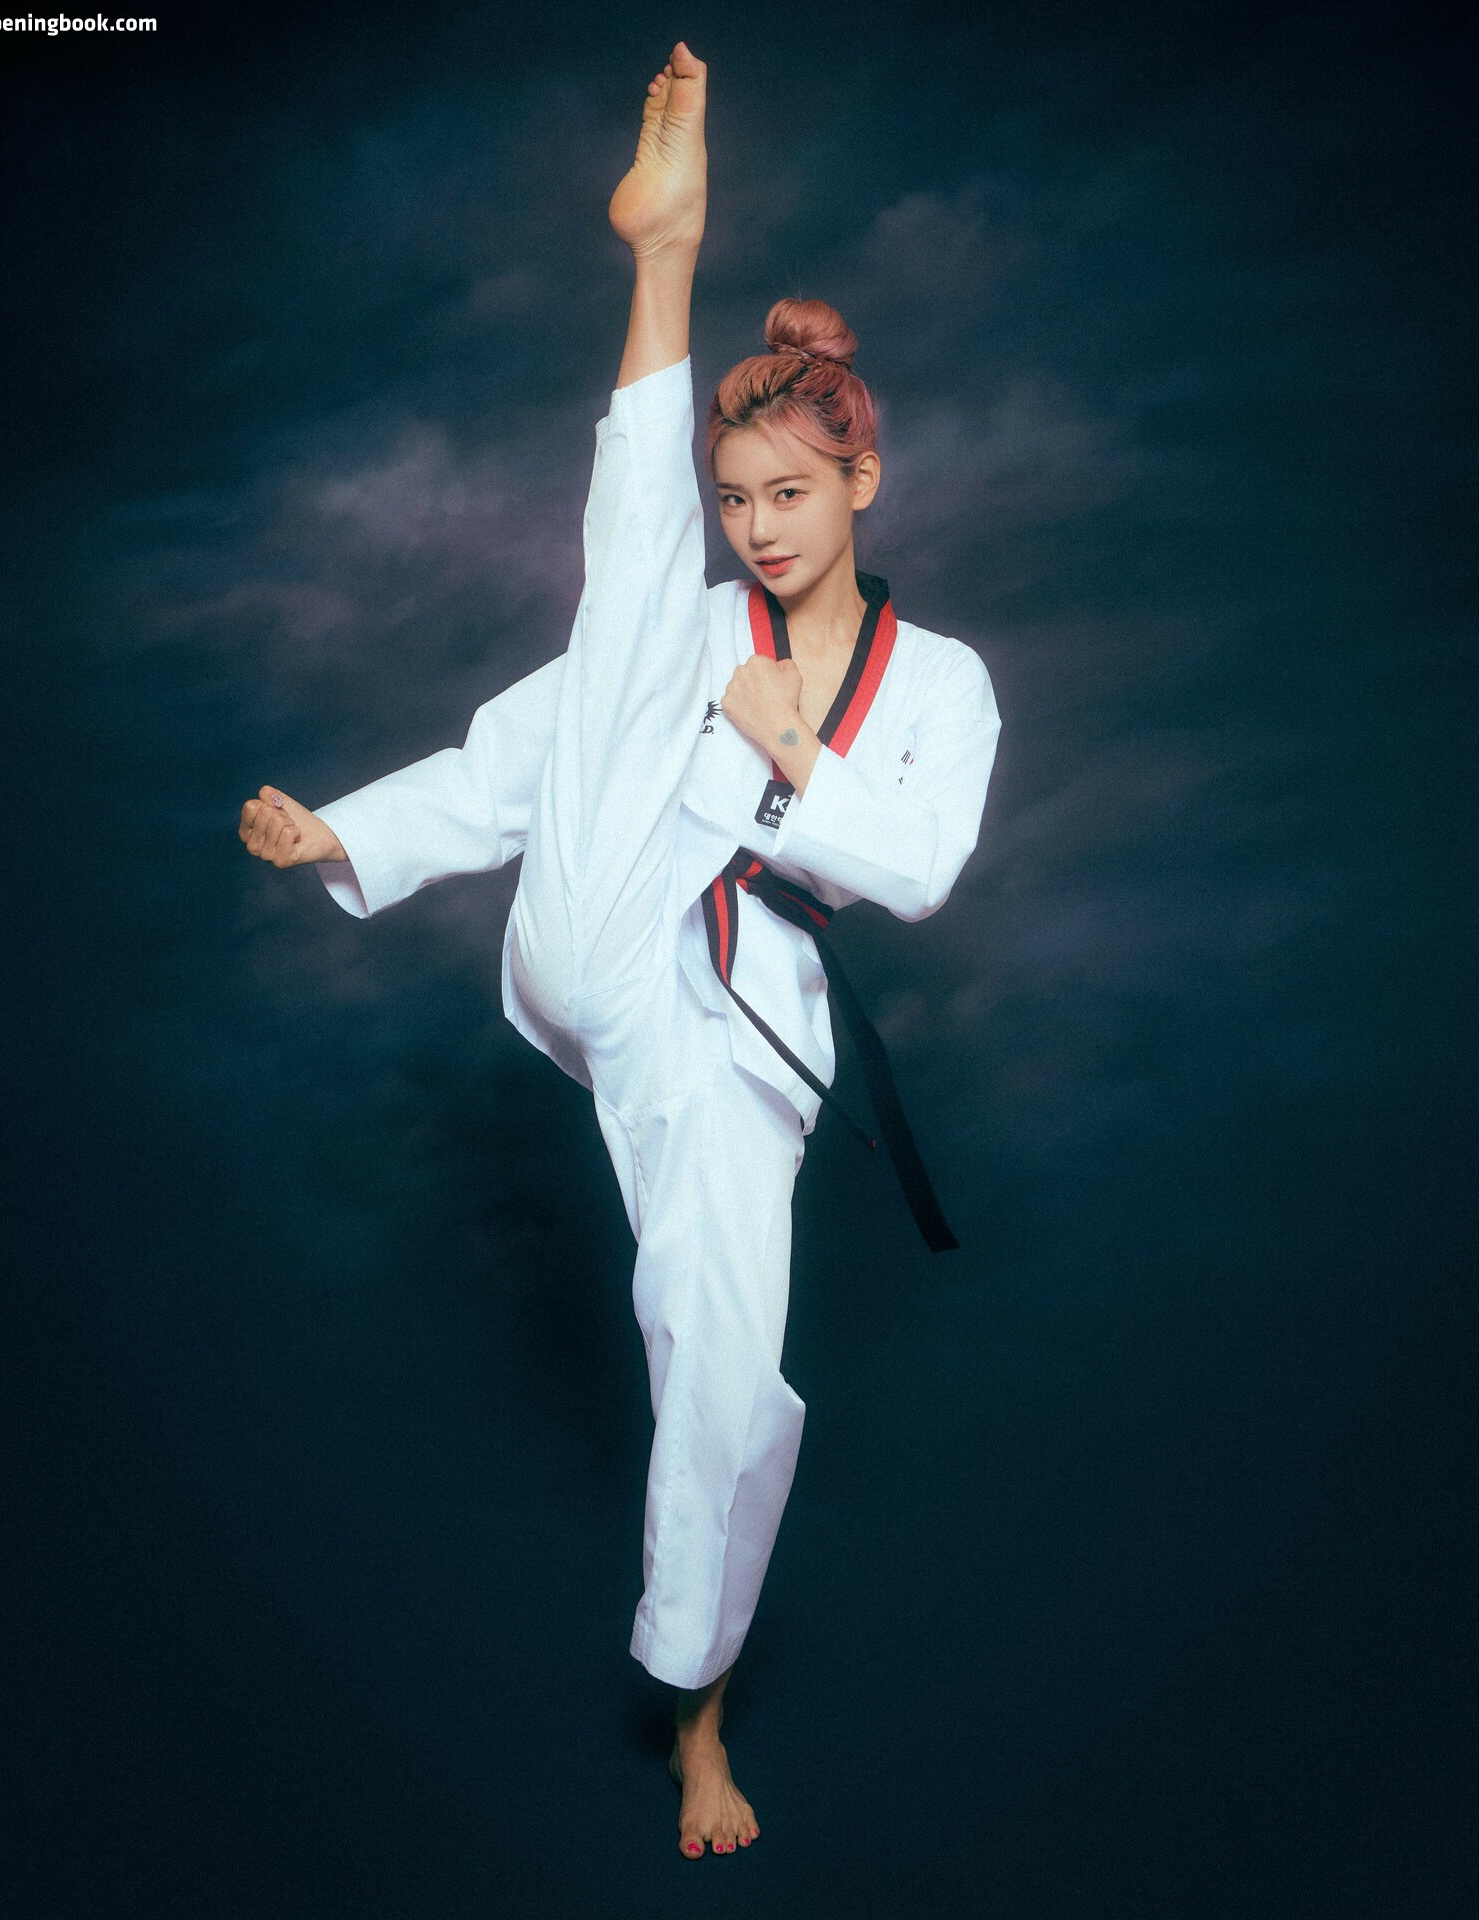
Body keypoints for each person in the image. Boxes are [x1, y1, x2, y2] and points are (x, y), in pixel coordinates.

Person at [236, 41, 1000, 1860]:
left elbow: (920, 873)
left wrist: (790, 753)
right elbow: (536, 752)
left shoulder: (947, 683)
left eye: (788, 497)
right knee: (632, 627)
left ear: (864, 480)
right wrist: (356, 833)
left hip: (738, 1046)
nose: (760, 529)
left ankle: (695, 1715)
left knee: (722, 1373)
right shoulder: (696, 620)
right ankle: (663, 254)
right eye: (735, 498)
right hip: (601, 930)